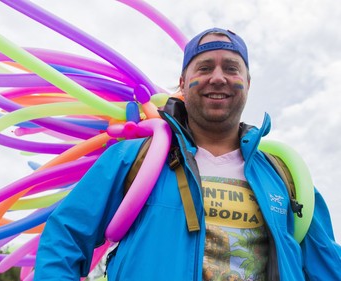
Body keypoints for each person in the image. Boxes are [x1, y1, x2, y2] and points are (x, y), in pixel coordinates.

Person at [34, 27, 341, 280]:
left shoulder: (286, 177)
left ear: (247, 83)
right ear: (182, 84)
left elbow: (326, 267)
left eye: (231, 68)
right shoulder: (133, 158)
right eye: (204, 68)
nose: (218, 77)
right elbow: (65, 238)